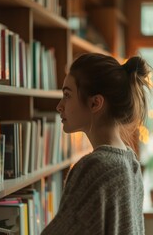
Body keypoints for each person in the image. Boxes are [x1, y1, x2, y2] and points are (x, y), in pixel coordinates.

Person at [41, 53, 151, 235]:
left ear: (95, 103)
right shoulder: (131, 163)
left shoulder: (95, 167)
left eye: (67, 95)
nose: (59, 106)